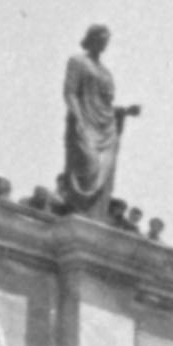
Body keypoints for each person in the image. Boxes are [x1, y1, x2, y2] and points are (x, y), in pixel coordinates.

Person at [55, 24, 135, 217]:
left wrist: (124, 111)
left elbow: (106, 104)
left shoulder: (106, 73)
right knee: (88, 163)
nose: (103, 44)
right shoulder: (77, 61)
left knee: (103, 170)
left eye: (106, 41)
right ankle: (75, 207)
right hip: (84, 121)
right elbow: (70, 92)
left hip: (105, 127)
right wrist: (78, 118)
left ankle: (93, 213)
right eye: (100, 39)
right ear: (91, 39)